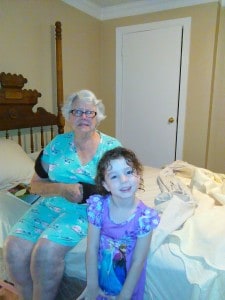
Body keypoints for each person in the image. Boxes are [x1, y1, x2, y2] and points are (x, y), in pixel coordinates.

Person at [3, 90, 121, 300]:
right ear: (68, 115)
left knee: (45, 252)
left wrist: (88, 191)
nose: (83, 117)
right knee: (13, 248)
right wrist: (60, 189)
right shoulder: (56, 145)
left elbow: (122, 190)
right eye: (77, 111)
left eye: (89, 112)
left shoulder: (112, 149)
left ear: (98, 117)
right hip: (50, 204)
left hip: (88, 210)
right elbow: (35, 186)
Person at [77, 147, 160, 300]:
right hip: (101, 283)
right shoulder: (99, 208)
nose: (124, 180)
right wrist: (92, 285)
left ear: (139, 176)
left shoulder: (144, 218)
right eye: (114, 176)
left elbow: (138, 260)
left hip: (128, 289)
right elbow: (92, 248)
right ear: (106, 185)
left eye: (129, 172)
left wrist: (125, 295)